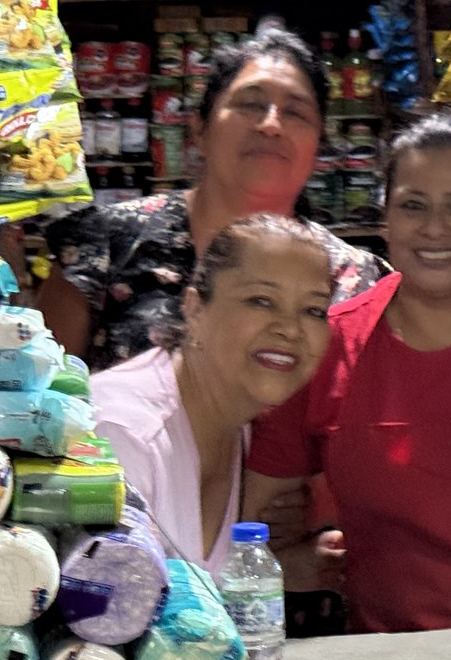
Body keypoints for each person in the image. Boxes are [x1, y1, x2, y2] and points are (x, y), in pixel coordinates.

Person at [243, 113, 451, 632]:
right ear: (385, 219)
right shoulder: (329, 346)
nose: (434, 228)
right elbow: (255, 527)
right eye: (412, 205)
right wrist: (306, 558)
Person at [42, 22, 383, 368]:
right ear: (200, 129)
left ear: (318, 146)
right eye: (250, 104)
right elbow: (39, 387)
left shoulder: (353, 280)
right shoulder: (106, 244)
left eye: (295, 112)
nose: (271, 124)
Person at [90, 215, 336, 567]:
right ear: (194, 309)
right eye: (261, 300)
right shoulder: (124, 435)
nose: (291, 329)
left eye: (314, 310)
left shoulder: (244, 428)